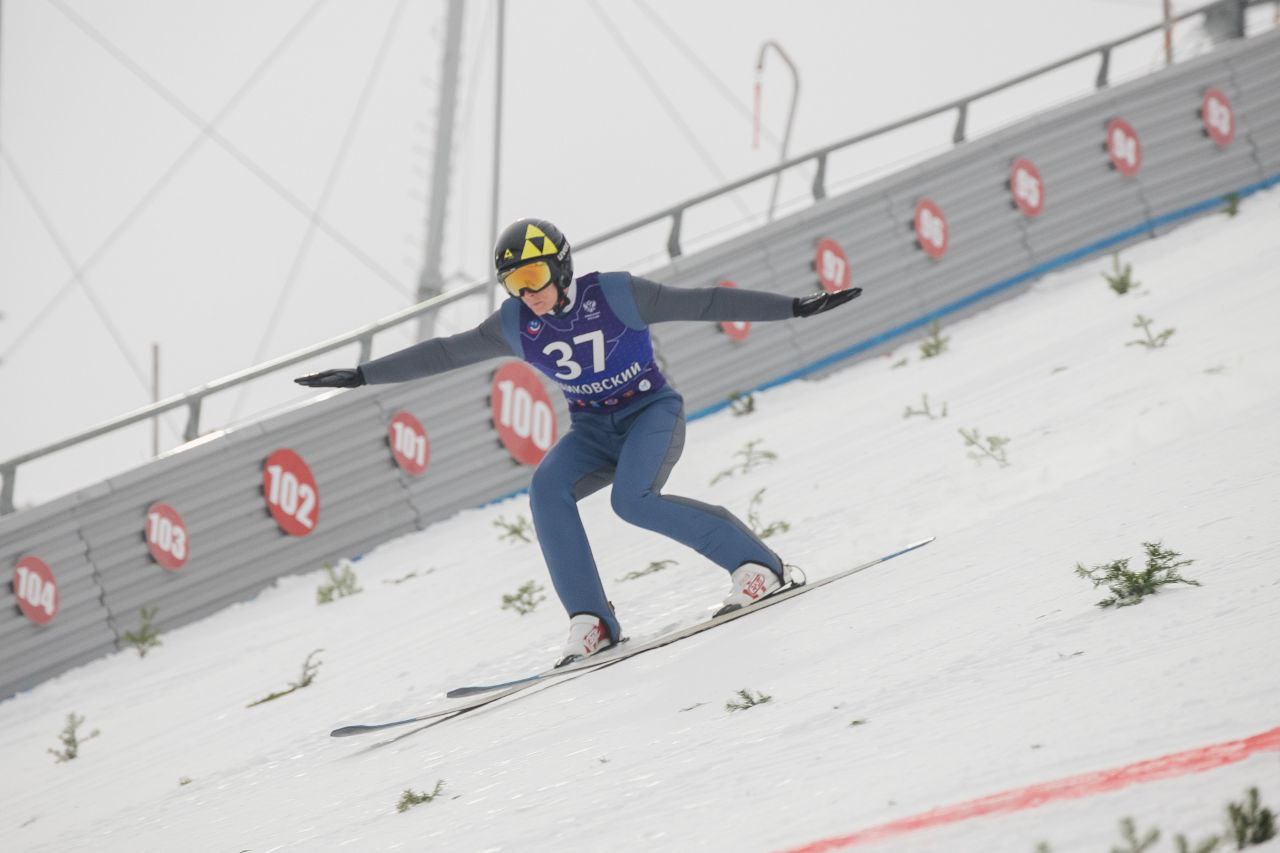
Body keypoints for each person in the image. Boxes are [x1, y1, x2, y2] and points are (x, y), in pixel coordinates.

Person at [296, 218, 860, 667]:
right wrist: (363, 375)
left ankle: (756, 565)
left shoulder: (616, 294)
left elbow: (706, 303)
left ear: (562, 267)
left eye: (535, 277)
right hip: (592, 430)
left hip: (650, 414)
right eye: (514, 283)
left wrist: (793, 306)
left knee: (632, 501)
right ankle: (592, 621)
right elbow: (445, 351)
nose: (528, 293)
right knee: (547, 491)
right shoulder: (515, 323)